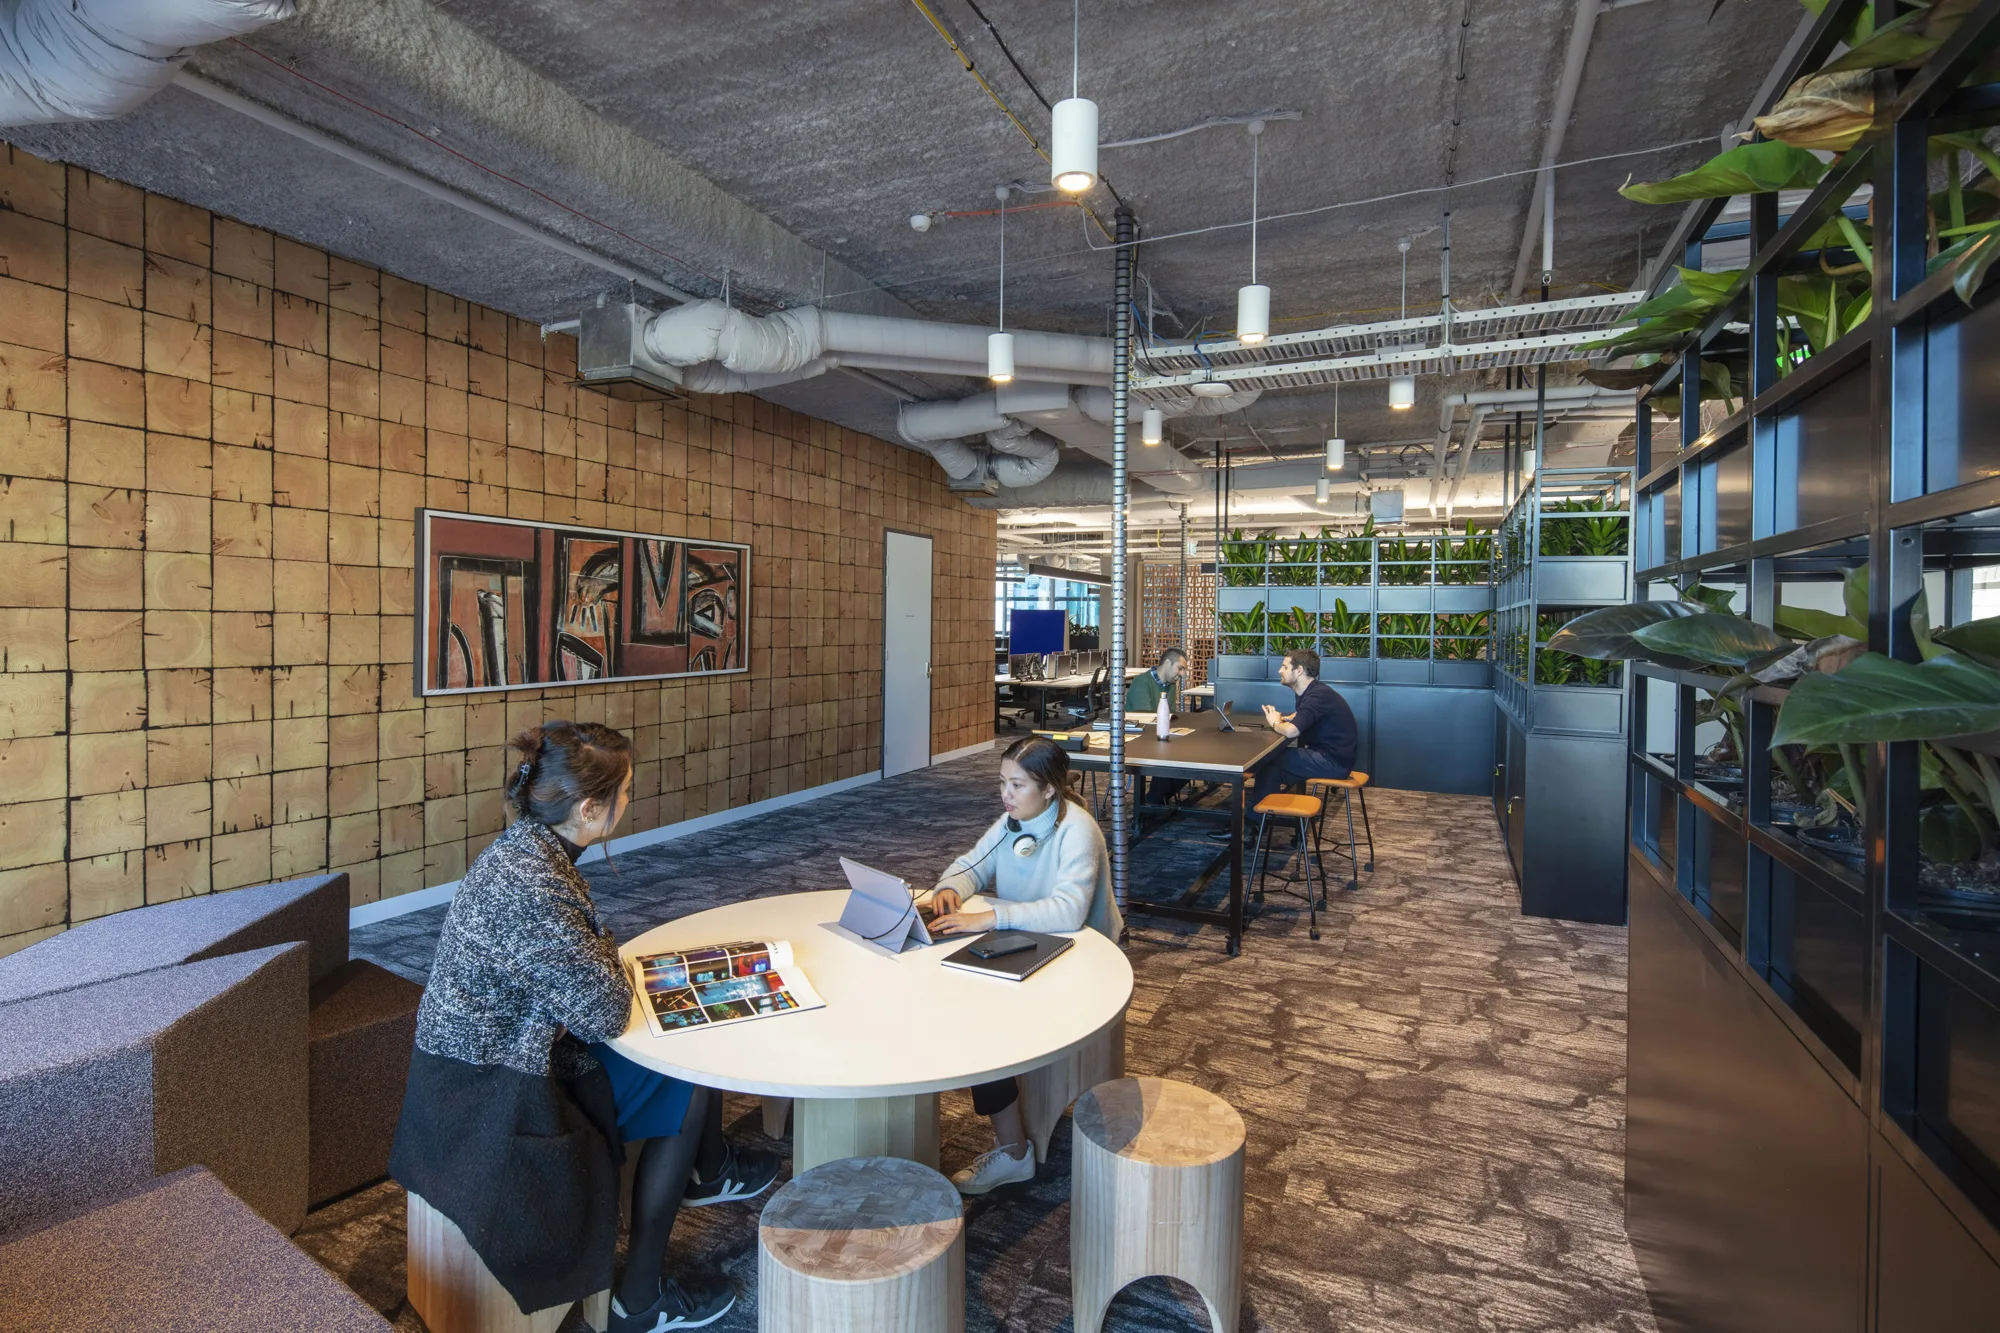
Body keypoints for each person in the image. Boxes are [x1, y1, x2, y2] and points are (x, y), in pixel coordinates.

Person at [390, 721, 779, 1333]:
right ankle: (641, 1303)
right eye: (625, 791)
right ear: (591, 809)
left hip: (497, 1062)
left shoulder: (526, 850)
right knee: (682, 1077)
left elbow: (585, 984)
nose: (631, 800)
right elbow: (602, 1011)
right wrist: (606, 960)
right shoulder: (535, 885)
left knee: (683, 1046)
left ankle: (709, 1171)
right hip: (494, 1097)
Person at [921, 735, 1123, 1196]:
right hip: (1027, 945)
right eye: (1002, 783)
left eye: (1016, 785)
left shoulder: (1078, 829)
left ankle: (1014, 1153)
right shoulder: (1013, 821)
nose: (1005, 796)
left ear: (1048, 789)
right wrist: (950, 887)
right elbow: (972, 865)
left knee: (981, 1028)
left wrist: (989, 916)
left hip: (1082, 962)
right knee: (951, 993)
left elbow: (1069, 911)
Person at [1254, 647, 1358, 793]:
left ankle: (1257, 814)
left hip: (1333, 762)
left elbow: (1291, 731)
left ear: (1299, 671)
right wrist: (1286, 717)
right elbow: (1304, 714)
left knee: (1269, 759)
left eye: (1285, 667)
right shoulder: (1312, 691)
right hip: (1329, 756)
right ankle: (1266, 810)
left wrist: (1275, 722)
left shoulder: (1317, 696)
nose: (1280, 671)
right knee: (1272, 768)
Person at [1125, 648, 1188, 807]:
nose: (1182, 674)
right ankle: (1154, 801)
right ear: (1167, 663)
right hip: (1138, 738)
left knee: (1192, 757)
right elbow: (1145, 719)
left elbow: (1171, 716)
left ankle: (1157, 799)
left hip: (1160, 737)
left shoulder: (1170, 685)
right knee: (1172, 757)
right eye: (1180, 668)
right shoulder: (1141, 682)